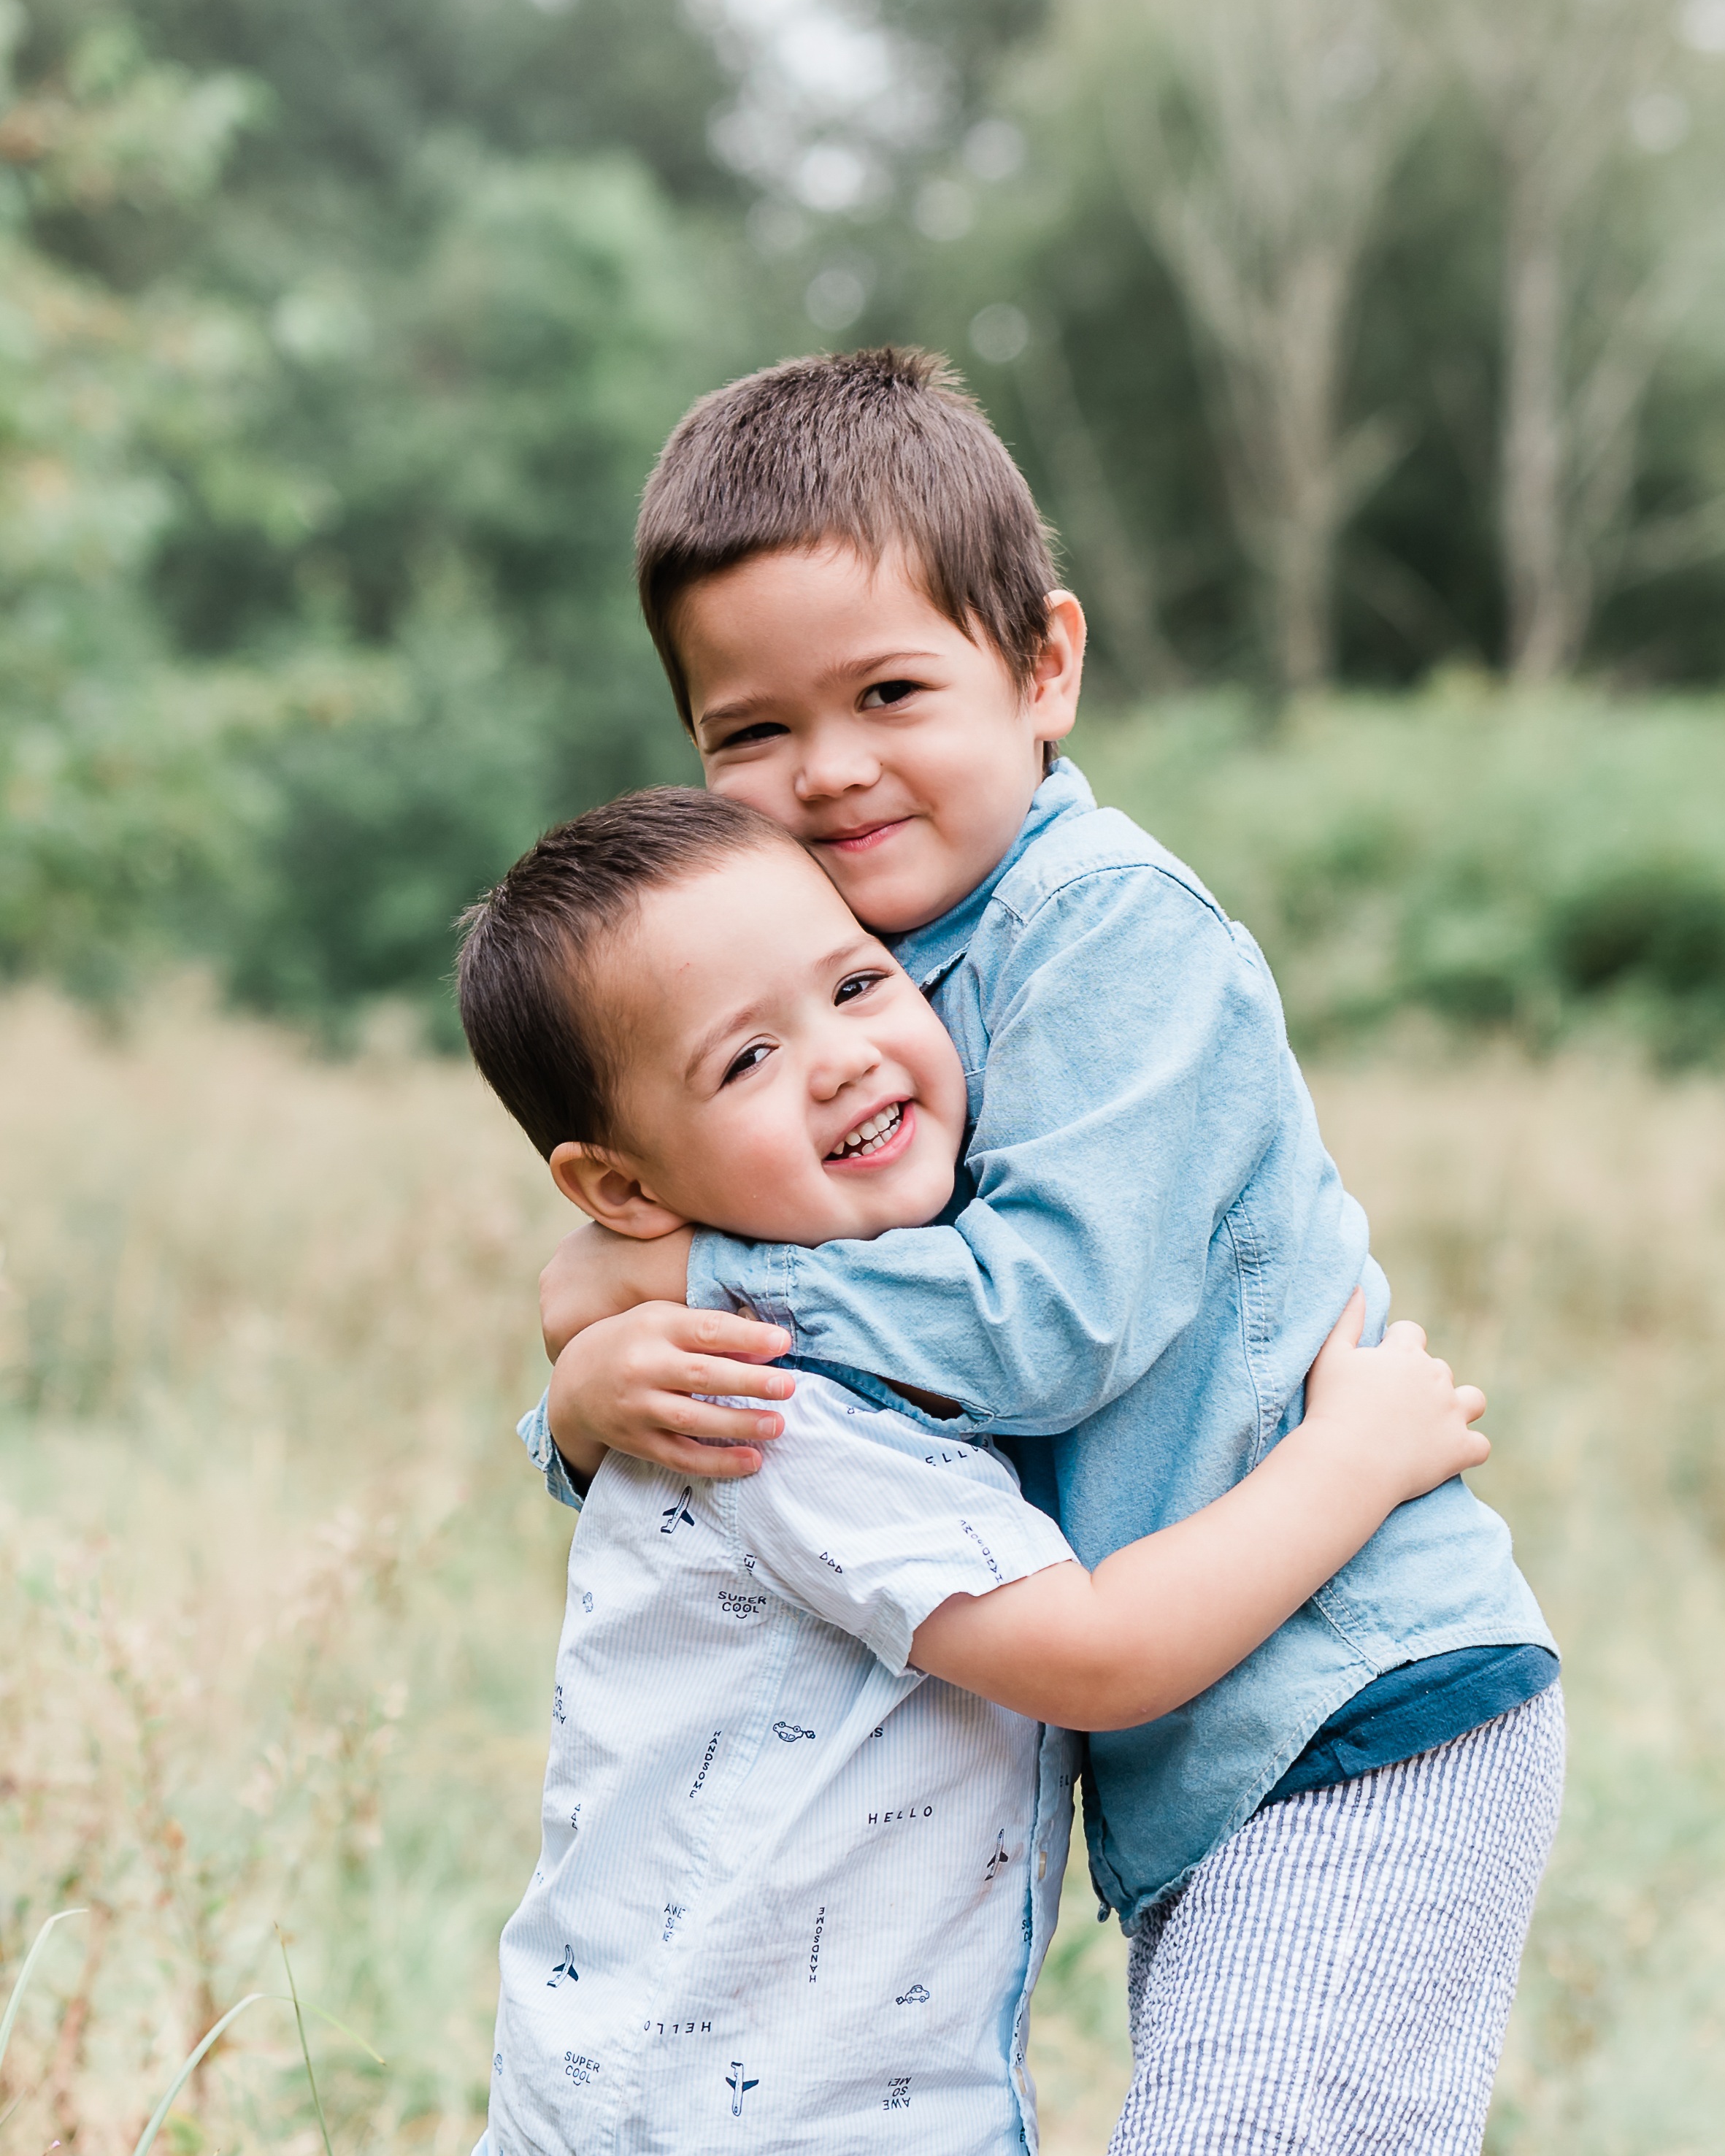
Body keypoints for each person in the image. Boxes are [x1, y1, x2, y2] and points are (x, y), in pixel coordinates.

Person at [530, 348, 1564, 2153]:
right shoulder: (840, 985)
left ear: (1044, 668)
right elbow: (752, 1378)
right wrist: (588, 1396)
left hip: (1354, 1700)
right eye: (750, 733)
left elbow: (1040, 1324)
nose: (828, 772)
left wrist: (701, 1288)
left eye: (890, 692)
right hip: (1205, 1743)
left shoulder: (1110, 938)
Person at [455, 786, 1491, 2155]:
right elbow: (1101, 1655)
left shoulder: (794, 1356)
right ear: (623, 1191)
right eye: (746, 1059)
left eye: (861, 982)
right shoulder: (779, 1411)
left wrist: (585, 1396)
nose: (837, 1058)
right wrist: (1349, 1461)